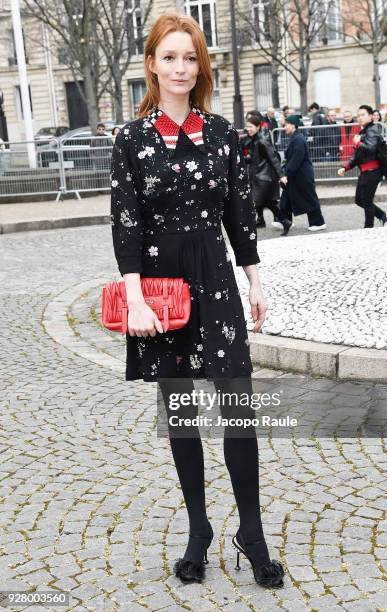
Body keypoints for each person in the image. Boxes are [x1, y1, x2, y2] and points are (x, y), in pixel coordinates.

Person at [110, 11, 285, 589]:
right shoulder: (131, 141)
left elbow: (240, 217)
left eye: (190, 58)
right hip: (161, 287)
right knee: (181, 412)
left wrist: (255, 280)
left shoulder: (222, 134)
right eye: (170, 57)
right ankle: (199, 530)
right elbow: (127, 226)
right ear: (152, 65)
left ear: (200, 65)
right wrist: (134, 300)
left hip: (214, 277)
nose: (181, 68)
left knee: (239, 409)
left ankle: (252, 533)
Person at [338, 104, 387, 228]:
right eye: (358, 115)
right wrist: (346, 167)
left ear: (371, 117)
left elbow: (371, 149)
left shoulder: (373, 130)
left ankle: (368, 228)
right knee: (359, 200)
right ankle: (382, 215)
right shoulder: (364, 131)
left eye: (363, 115)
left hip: (373, 171)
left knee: (366, 200)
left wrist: (358, 143)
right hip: (365, 172)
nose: (360, 117)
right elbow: (357, 155)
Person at [279, 114, 326, 233]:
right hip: (298, 175)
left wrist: (286, 173)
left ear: (293, 125)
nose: (285, 127)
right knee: (287, 198)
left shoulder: (298, 139)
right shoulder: (296, 138)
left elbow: (296, 159)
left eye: (286, 125)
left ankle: (318, 222)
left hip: (302, 175)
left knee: (309, 198)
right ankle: (285, 221)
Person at [245, 114, 291, 232]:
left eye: (251, 127)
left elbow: (274, 159)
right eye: (247, 127)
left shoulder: (262, 141)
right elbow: (256, 159)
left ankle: (285, 221)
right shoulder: (254, 140)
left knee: (267, 202)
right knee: (261, 201)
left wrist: (281, 176)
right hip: (259, 177)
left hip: (264, 178)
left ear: (258, 127)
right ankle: (262, 220)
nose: (248, 129)